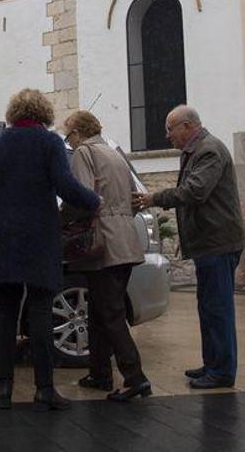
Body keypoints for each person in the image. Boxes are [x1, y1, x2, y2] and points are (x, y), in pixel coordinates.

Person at [0, 89, 101, 411]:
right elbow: (66, 186)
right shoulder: (49, 143)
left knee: (5, 315)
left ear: (14, 112)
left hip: (3, 241)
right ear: (43, 114)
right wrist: (94, 201)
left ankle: (3, 390)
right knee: (40, 314)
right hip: (39, 240)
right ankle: (44, 389)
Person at [132, 105, 245, 389]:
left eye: (171, 129)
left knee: (217, 308)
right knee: (208, 306)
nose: (168, 136)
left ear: (187, 126)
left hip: (218, 243)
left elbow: (195, 191)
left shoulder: (209, 151)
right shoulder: (196, 151)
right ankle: (213, 363)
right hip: (210, 244)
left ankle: (221, 371)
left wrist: (153, 198)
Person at [62, 111, 152, 402]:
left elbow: (83, 197)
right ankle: (99, 373)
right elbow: (136, 199)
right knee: (100, 311)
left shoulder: (84, 154)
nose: (69, 142)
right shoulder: (115, 154)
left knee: (110, 313)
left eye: (69, 136)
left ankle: (135, 378)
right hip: (126, 242)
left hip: (103, 243)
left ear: (77, 132)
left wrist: (60, 220)